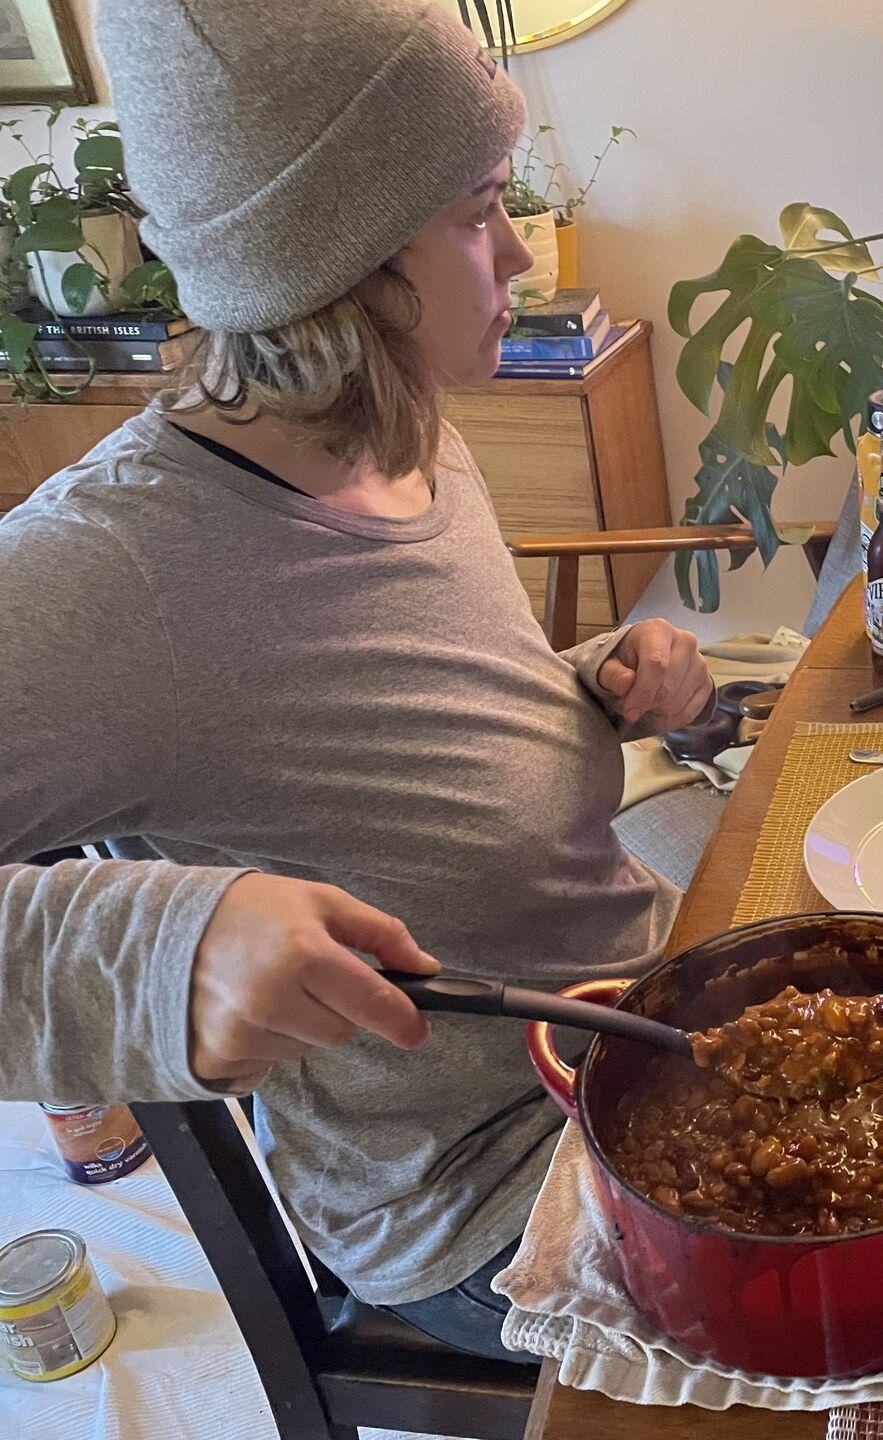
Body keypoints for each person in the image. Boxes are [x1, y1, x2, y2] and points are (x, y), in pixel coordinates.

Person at [0, 0, 714, 1363]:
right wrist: (169, 948)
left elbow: (358, 719)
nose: (515, 253)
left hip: (636, 1019)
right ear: (327, 259)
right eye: (476, 211)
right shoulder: (106, 576)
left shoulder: (407, 426)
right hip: (480, 1193)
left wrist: (591, 682)